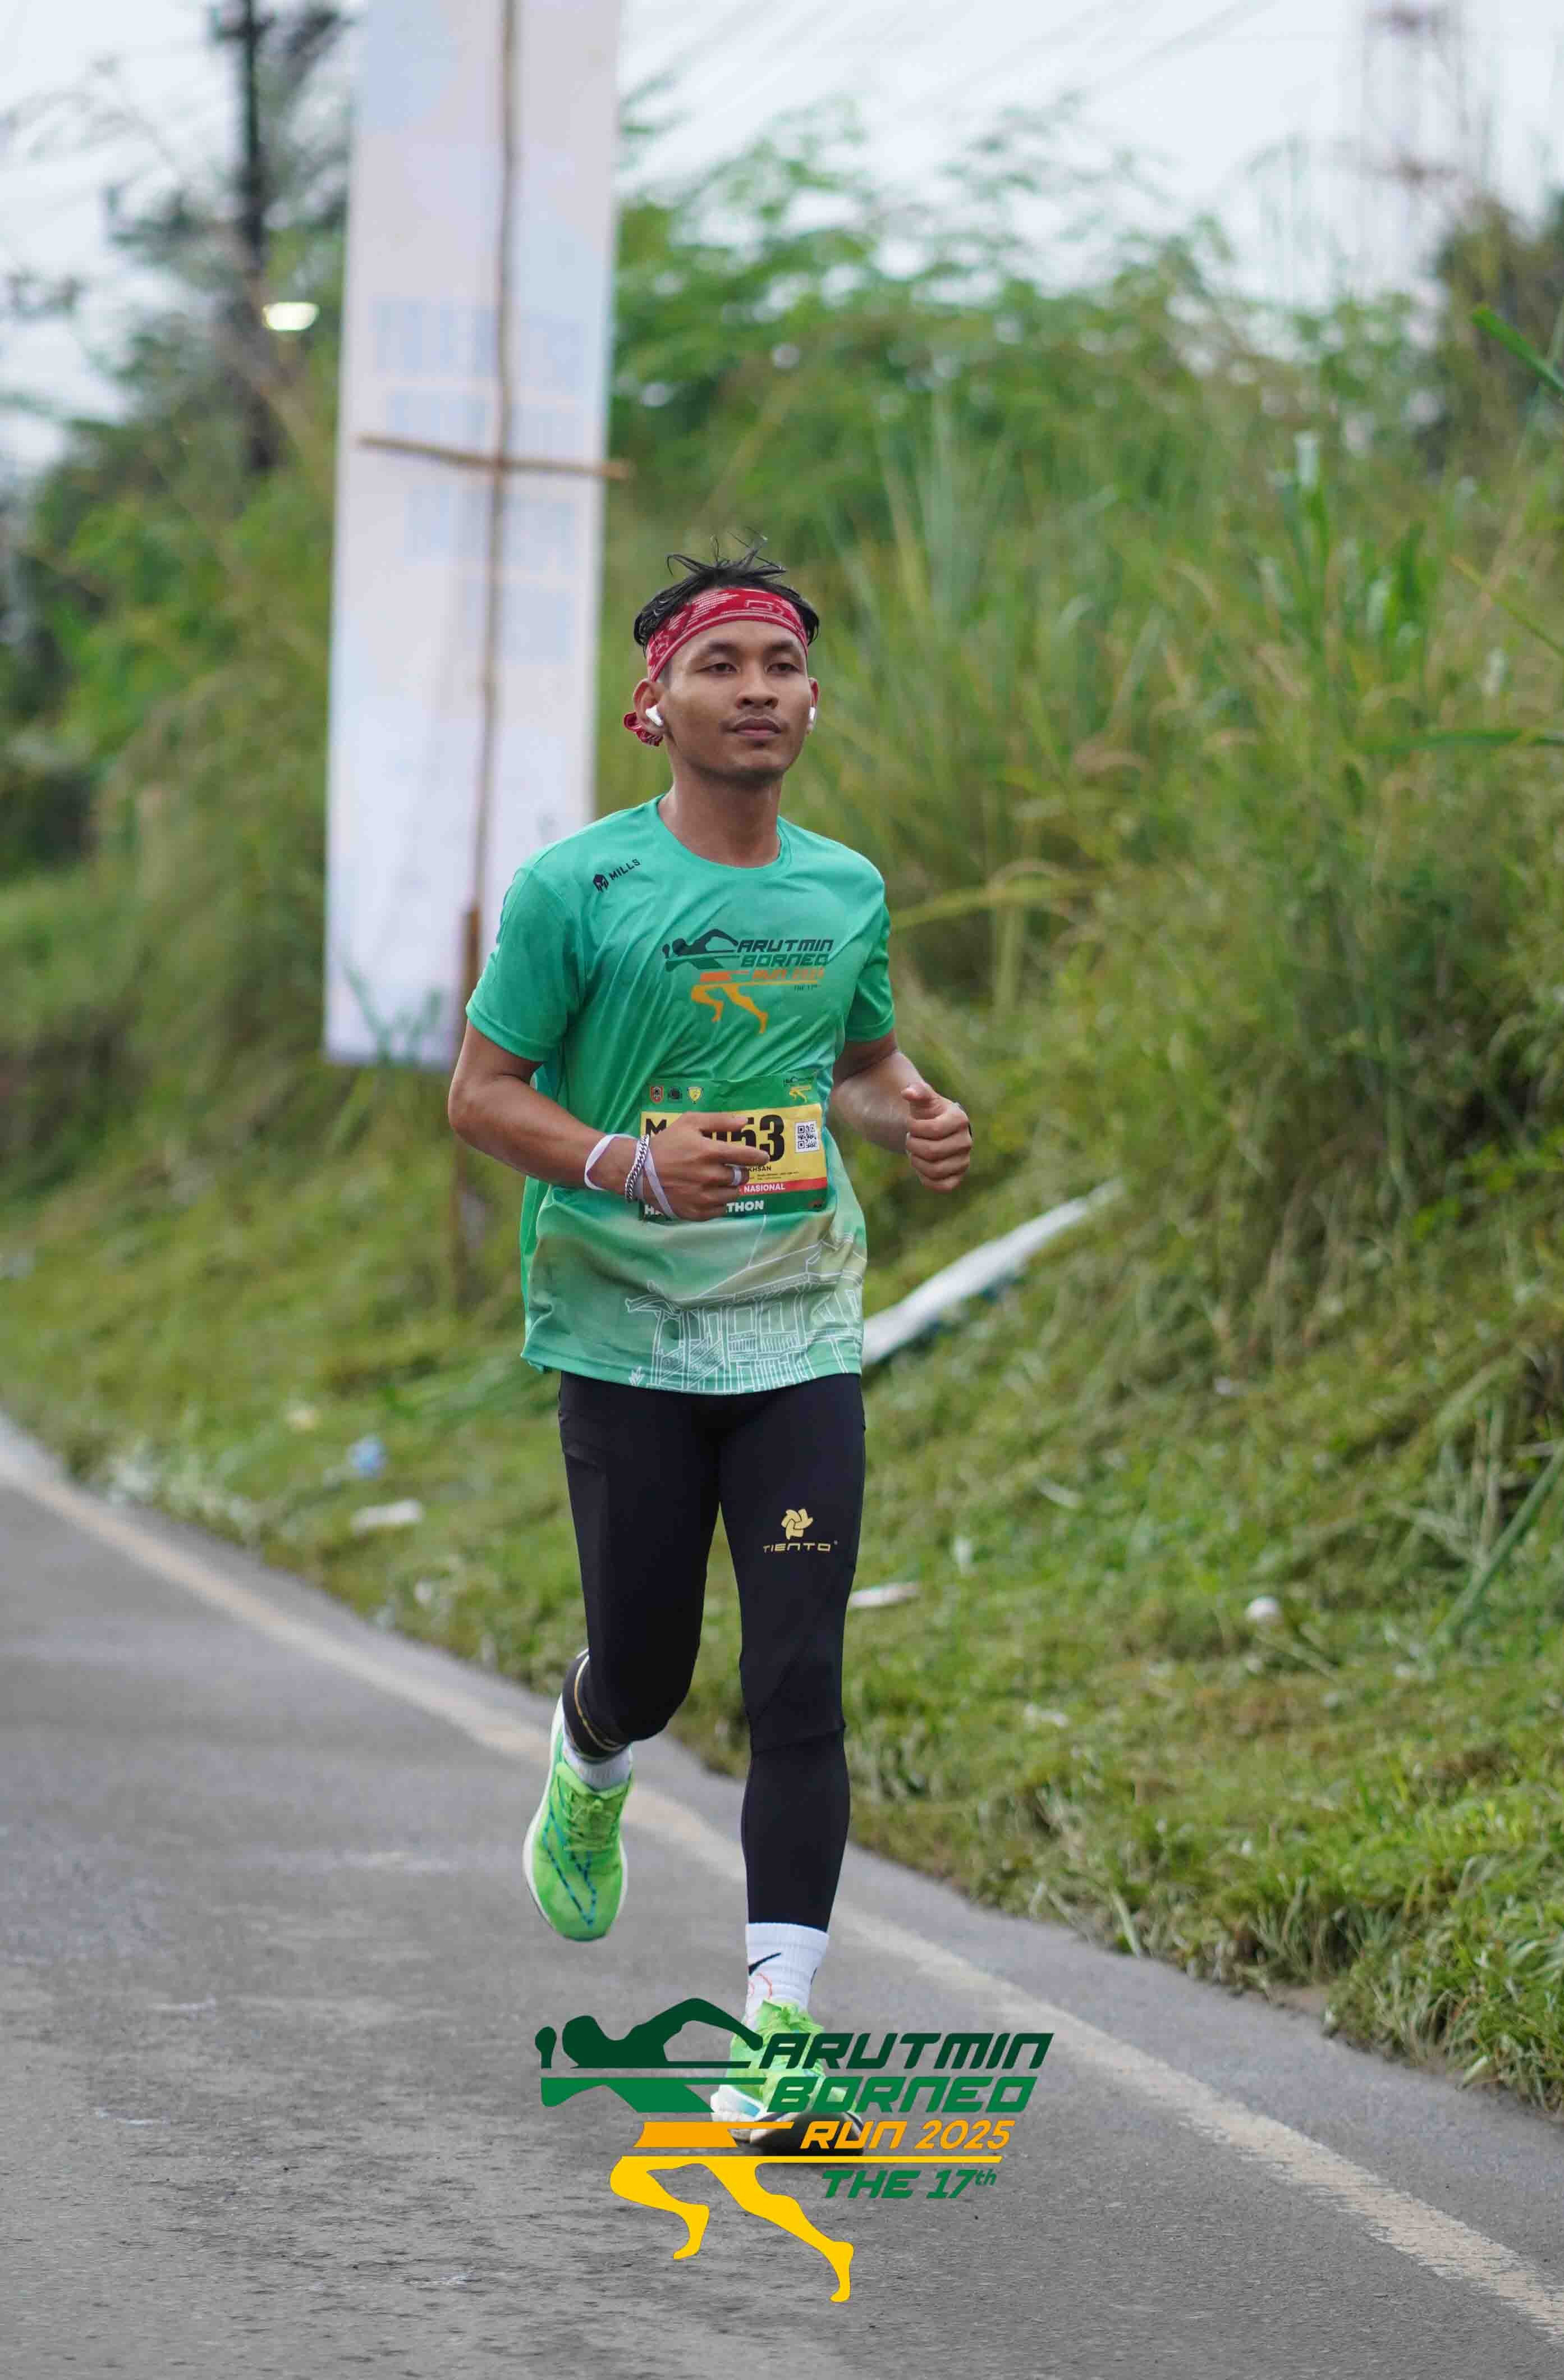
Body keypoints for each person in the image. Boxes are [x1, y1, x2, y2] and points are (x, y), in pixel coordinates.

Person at [447, 543, 973, 2132]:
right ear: (653, 706)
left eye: (781, 667)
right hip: (622, 1332)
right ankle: (589, 1745)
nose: (756, 691)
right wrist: (626, 1164)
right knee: (655, 1666)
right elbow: (481, 1096)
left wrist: (912, 1111)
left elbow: (856, 1064)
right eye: (719, 666)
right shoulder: (577, 889)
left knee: (800, 1674)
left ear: (813, 702)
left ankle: (779, 2037)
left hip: (797, 1329)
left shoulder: (844, 889)